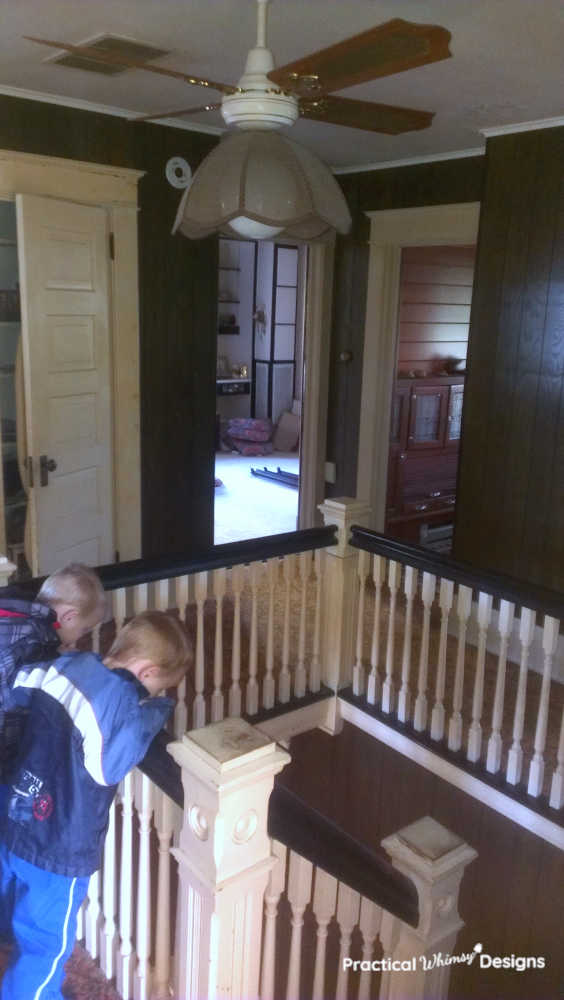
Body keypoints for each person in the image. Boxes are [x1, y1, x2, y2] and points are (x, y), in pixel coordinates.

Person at [0, 609, 192, 1000]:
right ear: (148, 672)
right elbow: (112, 764)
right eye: (159, 689)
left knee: (11, 897)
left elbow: (17, 688)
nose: (156, 696)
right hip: (59, 848)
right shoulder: (121, 702)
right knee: (46, 949)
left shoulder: (67, 663)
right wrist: (154, 711)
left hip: (16, 813)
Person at [0, 563, 106, 796]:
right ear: (68, 617)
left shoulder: (13, 611)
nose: (79, 639)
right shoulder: (37, 645)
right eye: (84, 629)